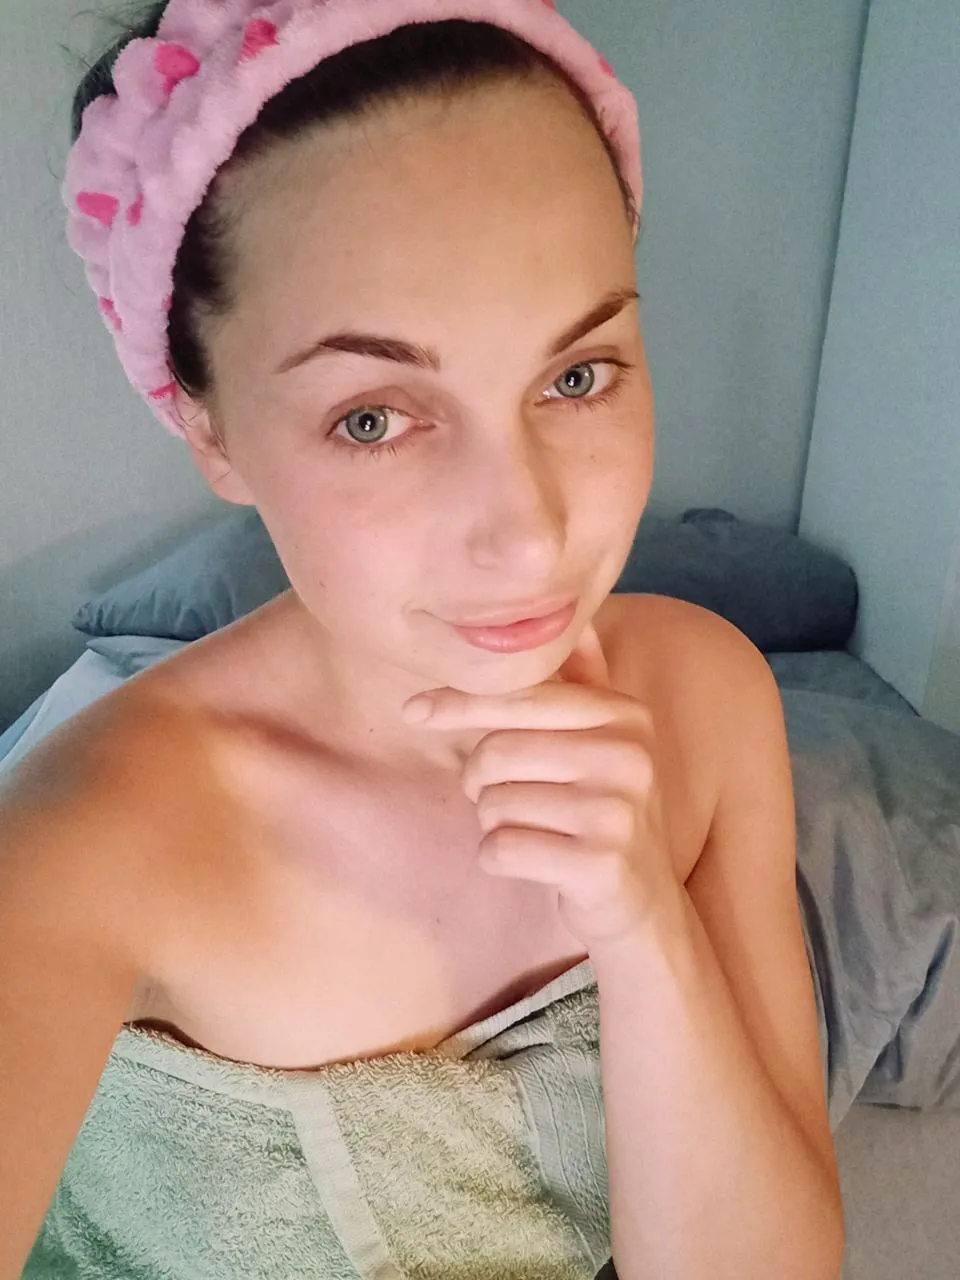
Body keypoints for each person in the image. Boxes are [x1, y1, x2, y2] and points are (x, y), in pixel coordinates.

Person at [0, 2, 844, 1277]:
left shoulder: (708, 695)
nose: (529, 534)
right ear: (212, 429)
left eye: (575, 376)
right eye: (375, 419)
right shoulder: (82, 840)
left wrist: (644, 924)